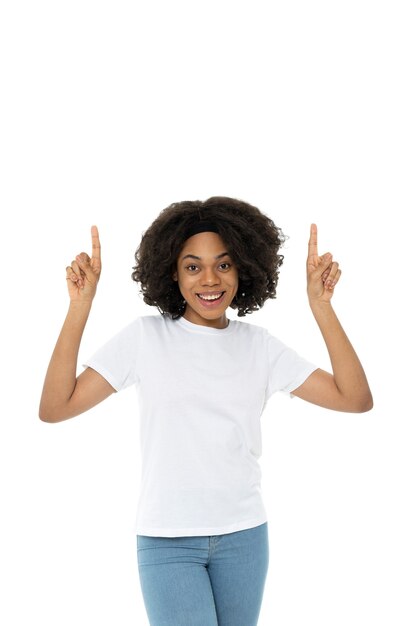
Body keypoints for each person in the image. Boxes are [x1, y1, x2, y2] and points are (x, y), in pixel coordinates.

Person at [39, 196, 373, 626]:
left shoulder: (260, 346)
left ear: (244, 270)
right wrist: (79, 306)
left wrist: (321, 308)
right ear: (172, 274)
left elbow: (355, 398)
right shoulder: (145, 338)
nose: (210, 279)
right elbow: (55, 407)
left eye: (224, 264)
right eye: (193, 266)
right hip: (167, 541)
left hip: (244, 537)